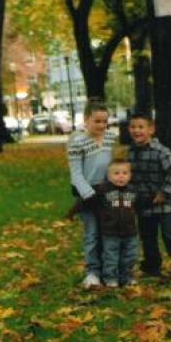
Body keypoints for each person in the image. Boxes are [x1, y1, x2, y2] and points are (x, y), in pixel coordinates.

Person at [128, 112, 171, 276]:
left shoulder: (160, 151)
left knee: (169, 235)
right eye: (133, 127)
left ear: (151, 129)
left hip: (163, 204)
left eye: (141, 127)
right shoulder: (131, 152)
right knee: (148, 237)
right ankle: (152, 266)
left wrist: (164, 192)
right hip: (143, 203)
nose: (137, 131)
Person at [66, 98, 117, 288]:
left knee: (109, 231)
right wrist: (89, 195)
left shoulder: (110, 138)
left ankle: (109, 270)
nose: (102, 125)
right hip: (87, 194)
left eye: (105, 121)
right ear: (86, 119)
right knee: (92, 233)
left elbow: (111, 166)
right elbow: (76, 173)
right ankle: (92, 272)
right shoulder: (77, 142)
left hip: (107, 191)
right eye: (97, 121)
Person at [66, 159, 139, 287]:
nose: (121, 176)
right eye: (116, 173)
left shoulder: (133, 191)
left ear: (130, 175)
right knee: (111, 257)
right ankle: (110, 278)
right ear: (109, 176)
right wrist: (72, 213)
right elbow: (85, 201)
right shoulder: (103, 191)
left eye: (124, 173)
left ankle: (126, 277)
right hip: (110, 232)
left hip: (130, 232)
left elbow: (142, 205)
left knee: (129, 256)